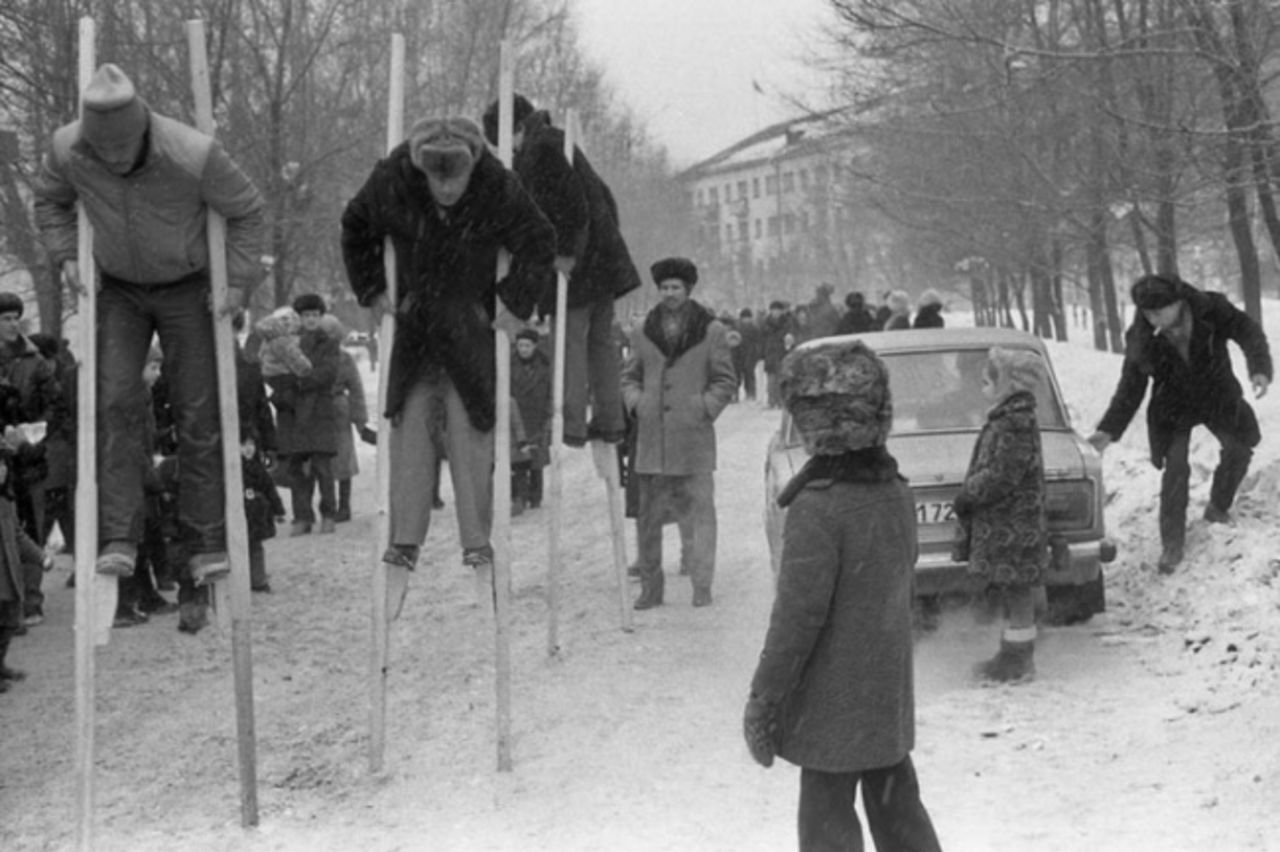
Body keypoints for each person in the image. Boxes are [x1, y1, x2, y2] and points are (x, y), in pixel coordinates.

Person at [33, 62, 265, 585]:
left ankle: (205, 539)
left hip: (188, 285)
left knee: (197, 408)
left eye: (123, 150)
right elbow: (49, 200)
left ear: (142, 130)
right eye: (104, 152)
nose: (113, 160)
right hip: (119, 289)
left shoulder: (191, 153)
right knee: (114, 400)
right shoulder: (68, 149)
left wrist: (237, 282)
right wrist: (67, 252)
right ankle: (120, 534)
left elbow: (248, 210)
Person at [340, 115, 554, 605]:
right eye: (436, 180)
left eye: (454, 178)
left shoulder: (498, 185)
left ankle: (478, 540)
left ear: (470, 167)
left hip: (469, 322)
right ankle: (404, 541)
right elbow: (355, 225)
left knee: (471, 428)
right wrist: (372, 289)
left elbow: (539, 241)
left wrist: (513, 301)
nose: (447, 190)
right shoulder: (393, 179)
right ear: (421, 170)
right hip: (415, 322)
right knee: (409, 427)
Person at [744, 338, 942, 852]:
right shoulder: (893, 489)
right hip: (884, 691)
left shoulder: (819, 507)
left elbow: (795, 619)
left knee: (827, 824)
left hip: (830, 705)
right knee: (899, 813)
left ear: (814, 422)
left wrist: (765, 698)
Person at [482, 94, 641, 448]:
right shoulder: (559, 143)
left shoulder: (540, 151)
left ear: (518, 128)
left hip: (577, 267)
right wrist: (604, 249)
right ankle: (611, 419)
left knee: (569, 342)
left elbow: (568, 204)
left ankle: (572, 423)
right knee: (601, 342)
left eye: (507, 142)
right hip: (603, 262)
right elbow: (604, 196)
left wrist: (564, 253)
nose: (507, 153)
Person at [1088, 274, 1272, 572]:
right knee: (1175, 468)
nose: (1153, 319)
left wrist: (1259, 368)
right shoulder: (1141, 336)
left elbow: (1248, 331)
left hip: (1216, 393)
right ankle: (1172, 544)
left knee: (1239, 448)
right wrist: (1109, 430)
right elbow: (1130, 386)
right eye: (1147, 313)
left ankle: (1218, 506)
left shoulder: (1211, 309)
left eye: (1159, 312)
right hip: (1172, 404)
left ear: (1178, 303)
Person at [621, 258, 737, 609]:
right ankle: (651, 589)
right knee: (648, 521)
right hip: (652, 444)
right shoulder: (642, 329)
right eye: (665, 288)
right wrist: (638, 403)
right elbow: (629, 376)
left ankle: (702, 585)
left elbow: (725, 380)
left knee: (701, 516)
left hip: (693, 443)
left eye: (676, 288)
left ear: (688, 290)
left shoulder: (712, 331)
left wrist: (703, 407)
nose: (670, 294)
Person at [952, 347, 1049, 683]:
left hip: (1013, 524)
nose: (982, 388)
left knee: (1019, 590)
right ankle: (1011, 654)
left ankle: (1019, 661)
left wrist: (969, 493)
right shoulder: (1010, 418)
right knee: (1013, 588)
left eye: (987, 381)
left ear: (1007, 384)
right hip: (1009, 522)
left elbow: (1002, 474)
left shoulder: (1013, 423)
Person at [0, 293, 67, 626]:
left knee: (32, 528)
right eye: (5, 318)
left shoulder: (35, 359)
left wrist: (38, 434)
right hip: (2, 457)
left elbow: (55, 402)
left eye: (15, 317)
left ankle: (32, 600)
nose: (11, 324)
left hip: (30, 456)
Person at [269, 293, 340, 535]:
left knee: (323, 468)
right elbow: (274, 372)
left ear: (321, 317)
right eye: (306, 315)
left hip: (319, 412)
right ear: (298, 317)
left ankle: (329, 513)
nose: (311, 319)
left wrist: (298, 382)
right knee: (296, 469)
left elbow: (327, 374)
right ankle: (302, 516)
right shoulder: (286, 342)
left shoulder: (328, 342)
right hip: (292, 412)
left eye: (315, 315)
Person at [325, 315, 371, 523]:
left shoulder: (344, 359)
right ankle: (328, 505)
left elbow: (356, 389)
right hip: (316, 409)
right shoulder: (306, 355)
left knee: (343, 459)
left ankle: (344, 505)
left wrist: (361, 422)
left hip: (338, 410)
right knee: (320, 460)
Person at [510, 327, 551, 511]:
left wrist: (549, 413)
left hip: (538, 416)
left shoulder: (545, 365)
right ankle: (518, 496)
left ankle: (535, 495)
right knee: (517, 460)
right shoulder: (508, 365)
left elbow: (551, 391)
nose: (523, 349)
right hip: (517, 417)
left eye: (527, 345)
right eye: (520, 345)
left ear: (535, 346)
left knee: (536, 461)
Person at [241, 433, 284, 592]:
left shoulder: (259, 469)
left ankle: (258, 580)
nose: (247, 449)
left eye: (251, 444)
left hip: (257, 515)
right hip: (242, 514)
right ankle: (245, 580)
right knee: (242, 548)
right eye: (243, 444)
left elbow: (270, 489)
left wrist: (278, 510)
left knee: (256, 548)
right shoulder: (232, 469)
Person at [760, 301, 793, 409]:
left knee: (781, 378)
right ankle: (771, 400)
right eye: (774, 310)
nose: (776, 312)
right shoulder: (765, 323)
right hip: (770, 353)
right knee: (771, 379)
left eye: (778, 310)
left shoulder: (787, 323)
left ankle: (780, 401)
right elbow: (761, 339)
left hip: (782, 352)